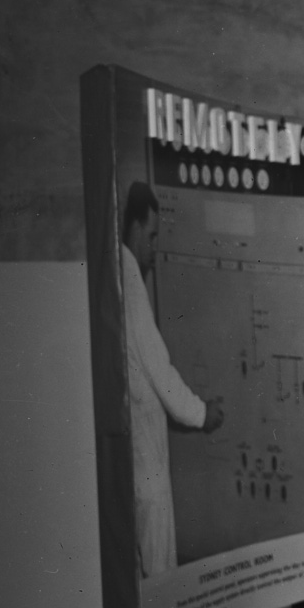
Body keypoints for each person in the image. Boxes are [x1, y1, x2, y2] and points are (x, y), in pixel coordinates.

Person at [121, 182, 222, 578]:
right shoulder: (130, 283)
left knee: (140, 567)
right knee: (160, 569)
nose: (154, 248)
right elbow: (159, 369)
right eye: (151, 236)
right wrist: (201, 413)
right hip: (146, 460)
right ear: (134, 227)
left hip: (135, 453)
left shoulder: (120, 275)